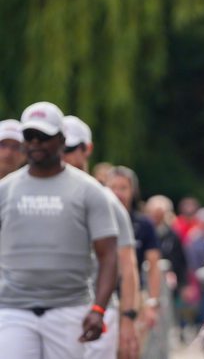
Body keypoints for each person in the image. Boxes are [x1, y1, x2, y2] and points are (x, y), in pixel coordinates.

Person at [0, 101, 119, 358]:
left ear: (61, 140)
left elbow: (109, 255)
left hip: (69, 308)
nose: (35, 143)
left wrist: (99, 309)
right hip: (12, 309)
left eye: (43, 136)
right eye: (29, 136)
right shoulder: (5, 190)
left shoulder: (89, 191)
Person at [62, 115, 141, 359]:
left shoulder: (105, 200)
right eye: (59, 147)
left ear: (87, 149)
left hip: (99, 308)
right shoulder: (46, 196)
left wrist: (128, 319)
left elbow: (127, 265)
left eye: (70, 149)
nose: (63, 155)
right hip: (56, 308)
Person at [106, 166, 162, 344]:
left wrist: (152, 302)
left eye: (123, 187)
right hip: (103, 295)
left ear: (133, 190)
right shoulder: (96, 219)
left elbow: (153, 265)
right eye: (113, 187)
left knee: (130, 349)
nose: (118, 193)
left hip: (133, 296)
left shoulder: (143, 224)